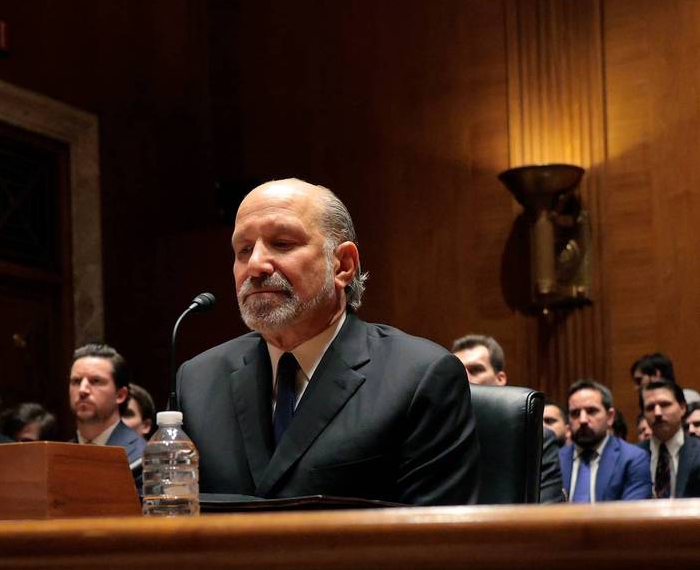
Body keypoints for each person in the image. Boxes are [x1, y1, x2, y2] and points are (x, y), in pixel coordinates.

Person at [177, 179, 479, 504]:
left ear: (343, 265)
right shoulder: (199, 381)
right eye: (244, 250)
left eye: (281, 243)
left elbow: (439, 543)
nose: (255, 265)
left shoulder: (420, 376)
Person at [451, 334, 563, 503]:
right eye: (458, 370)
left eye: (476, 369)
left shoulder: (537, 438)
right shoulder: (439, 434)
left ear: (500, 379)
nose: (465, 377)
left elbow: (548, 514)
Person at [559, 379, 651, 502]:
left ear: (610, 417)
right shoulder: (555, 461)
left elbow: (631, 516)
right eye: (575, 413)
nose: (583, 420)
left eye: (591, 411)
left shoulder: (633, 459)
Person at [69, 343, 146, 472]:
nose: (82, 390)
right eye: (76, 381)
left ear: (120, 395)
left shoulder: (142, 457)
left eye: (96, 381)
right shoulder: (56, 454)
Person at [637, 380, 700, 498]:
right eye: (650, 407)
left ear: (682, 408)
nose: (657, 413)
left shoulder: (698, 452)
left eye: (665, 404)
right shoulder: (631, 457)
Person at [630, 353, 700, 405]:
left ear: (656, 375)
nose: (636, 388)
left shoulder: (689, 398)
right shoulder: (647, 402)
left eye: (639, 380)